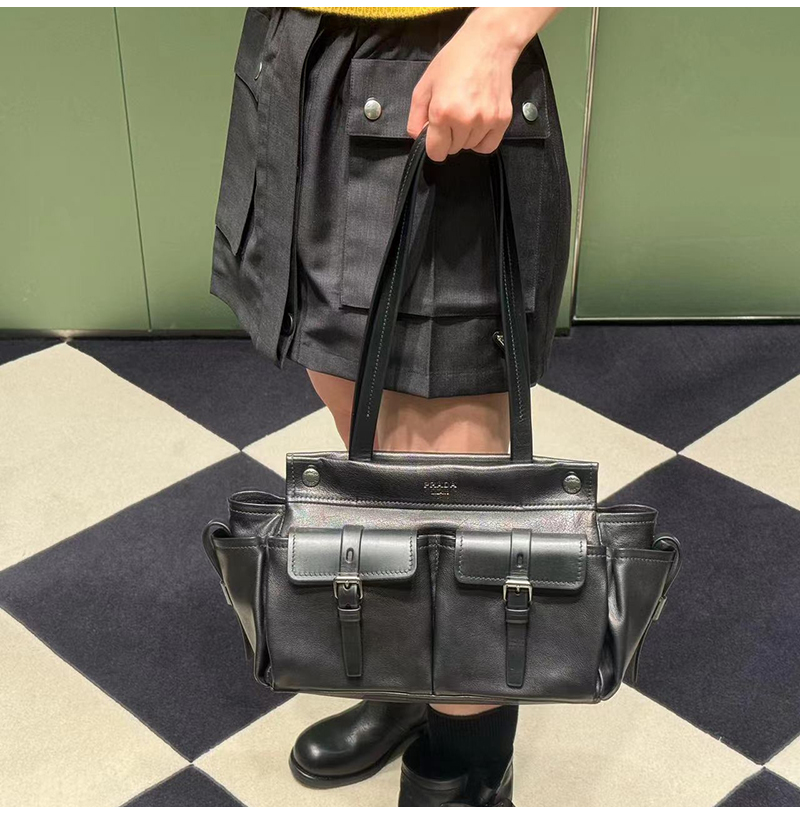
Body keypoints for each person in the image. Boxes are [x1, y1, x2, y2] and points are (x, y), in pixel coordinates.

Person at [210, 6, 568, 806]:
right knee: (363, 428)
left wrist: (498, 33)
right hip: (303, 56)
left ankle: (470, 766)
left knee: (453, 503)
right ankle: (413, 676)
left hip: (438, 70)